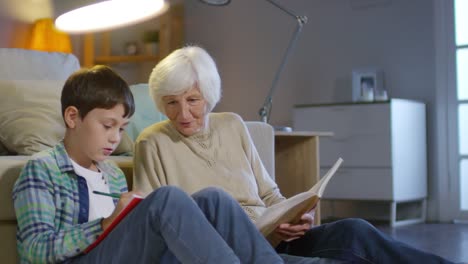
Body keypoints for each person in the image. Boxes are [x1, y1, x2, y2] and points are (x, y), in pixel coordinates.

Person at [133, 45, 455, 264]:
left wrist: (294, 216)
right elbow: (156, 224)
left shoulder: (232, 125)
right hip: (232, 250)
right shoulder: (152, 143)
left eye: (192, 100)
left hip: (275, 236)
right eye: (172, 102)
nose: (183, 113)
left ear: (209, 94)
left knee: (356, 230)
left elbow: (270, 194)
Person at [12, 65, 307, 264]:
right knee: (167, 197)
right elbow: (33, 249)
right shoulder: (43, 169)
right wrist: (105, 224)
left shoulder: (112, 174)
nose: (115, 138)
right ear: (73, 117)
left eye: (122, 128)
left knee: (214, 199)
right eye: (107, 126)